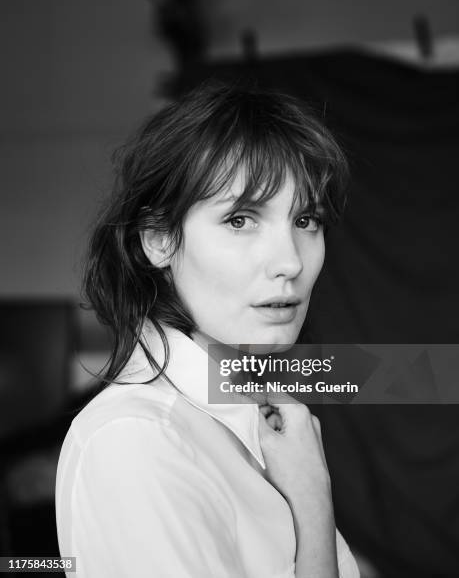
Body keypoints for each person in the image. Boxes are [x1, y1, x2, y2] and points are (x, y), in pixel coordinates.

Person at [55, 81, 360, 578]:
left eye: (307, 219)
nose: (289, 262)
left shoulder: (254, 418)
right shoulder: (136, 440)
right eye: (240, 219)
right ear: (158, 240)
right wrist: (313, 502)